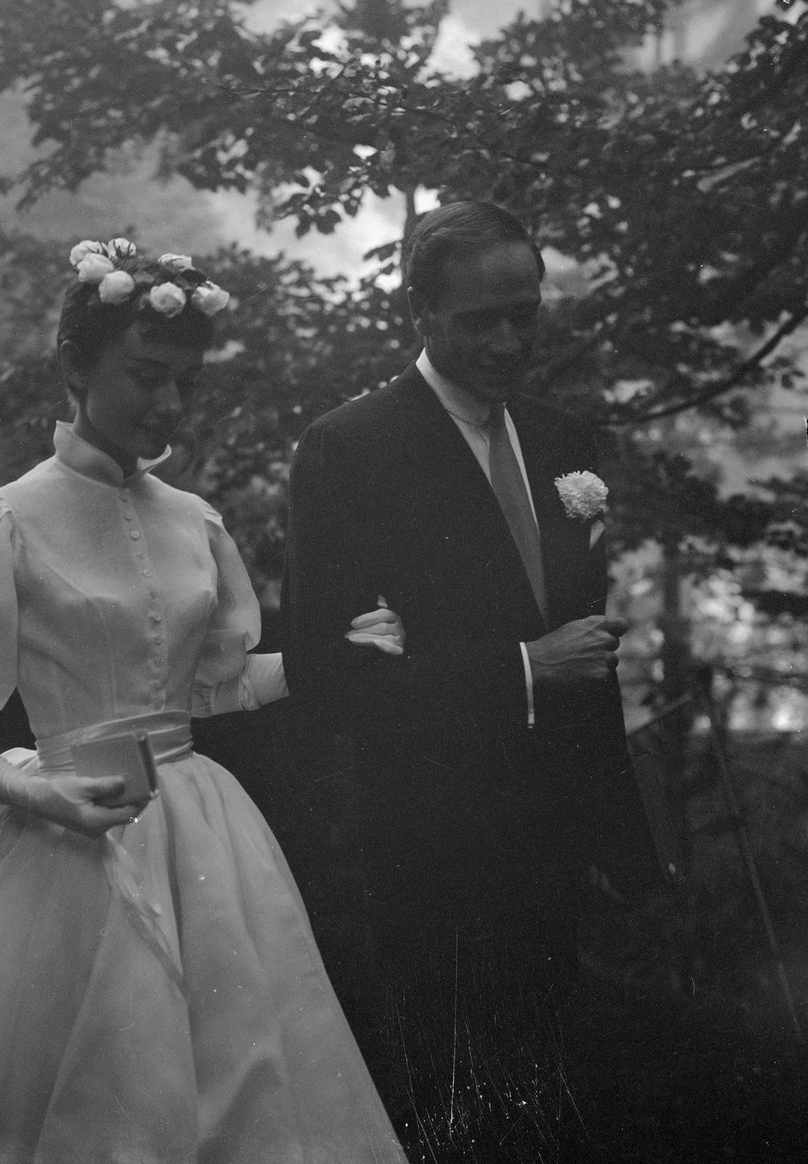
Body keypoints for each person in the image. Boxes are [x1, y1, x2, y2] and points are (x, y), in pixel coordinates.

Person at [0, 239, 409, 1164]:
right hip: (60, 833)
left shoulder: (196, 522)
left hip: (203, 838)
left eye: (185, 381)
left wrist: (320, 661)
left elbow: (210, 688)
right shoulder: (4, 519)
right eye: (146, 376)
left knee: (231, 1082)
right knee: (35, 1095)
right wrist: (33, 794)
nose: (168, 403)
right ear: (73, 366)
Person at [282, 200, 658, 1161]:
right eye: (477, 320)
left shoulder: (564, 439)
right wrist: (523, 668)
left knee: (557, 1113)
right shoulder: (351, 447)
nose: (505, 340)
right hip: (431, 850)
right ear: (419, 310)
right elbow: (330, 678)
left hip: (556, 843)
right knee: (458, 1123)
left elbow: (593, 654)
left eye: (522, 313)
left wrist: (622, 842)